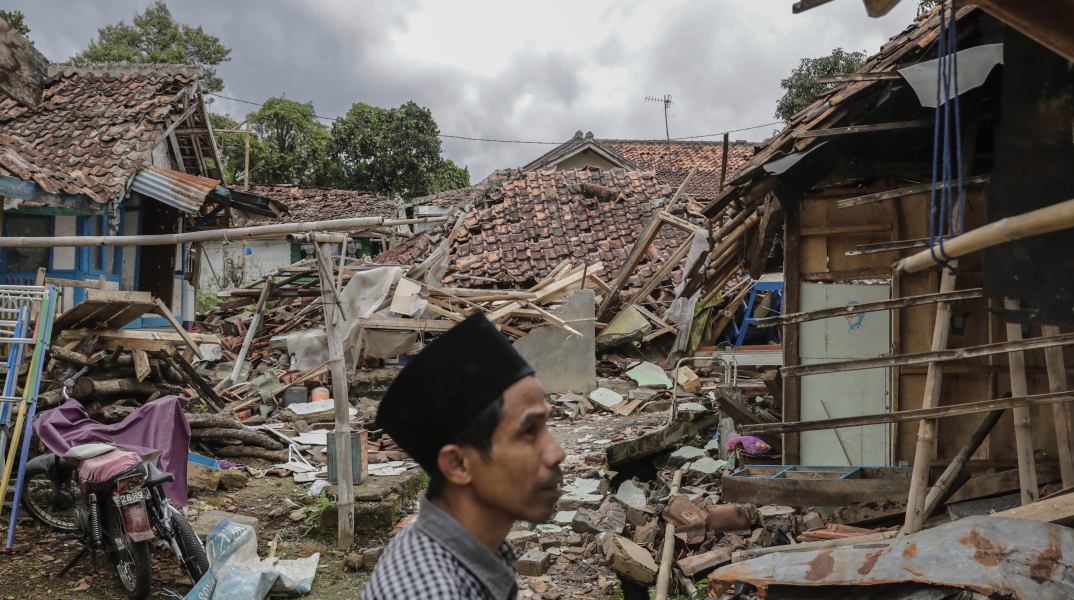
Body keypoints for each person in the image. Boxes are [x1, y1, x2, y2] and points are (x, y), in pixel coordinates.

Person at [361, 313, 566, 600]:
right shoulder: (431, 592)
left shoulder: (462, 552)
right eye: (528, 431)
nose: (558, 452)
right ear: (458, 464)